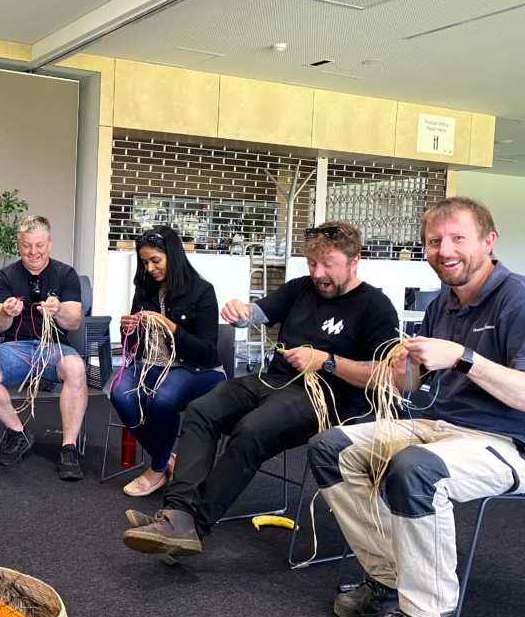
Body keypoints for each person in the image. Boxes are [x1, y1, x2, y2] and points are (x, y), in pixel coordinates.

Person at [307, 197, 525, 617]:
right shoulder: (444, 303)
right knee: (331, 447)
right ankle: (389, 579)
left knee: (415, 470)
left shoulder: (518, 299)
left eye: (457, 238)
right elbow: (409, 386)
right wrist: (403, 369)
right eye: (434, 241)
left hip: (506, 443)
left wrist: (464, 359)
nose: (444, 250)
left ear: (488, 242)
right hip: (438, 426)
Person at [122, 220, 398, 557]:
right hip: (272, 382)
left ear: (355, 262)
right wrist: (241, 313)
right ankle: (177, 514)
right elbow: (258, 312)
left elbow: (386, 377)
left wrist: (327, 361)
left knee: (251, 430)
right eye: (312, 263)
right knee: (202, 410)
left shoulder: (375, 306)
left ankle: (193, 526)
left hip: (327, 397)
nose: (318, 273)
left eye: (329, 265)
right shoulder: (300, 288)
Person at [111, 225, 226, 496]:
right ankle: (167, 461)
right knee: (119, 392)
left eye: (155, 261)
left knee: (160, 399)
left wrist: (172, 328)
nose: (150, 268)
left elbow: (207, 351)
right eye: (144, 262)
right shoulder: (145, 289)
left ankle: (157, 469)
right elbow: (132, 346)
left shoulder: (202, 291)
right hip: (151, 364)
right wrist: (127, 328)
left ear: (172, 256)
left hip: (198, 369)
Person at [0, 215, 87, 480]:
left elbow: (74, 322)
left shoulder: (65, 274)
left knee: (76, 368)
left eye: (39, 245)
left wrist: (58, 310)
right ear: (18, 244)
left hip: (54, 347)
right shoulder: (6, 276)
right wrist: (8, 313)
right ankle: (18, 432)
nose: (33, 252)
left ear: (49, 243)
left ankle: (68, 447)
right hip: (15, 347)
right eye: (26, 245)